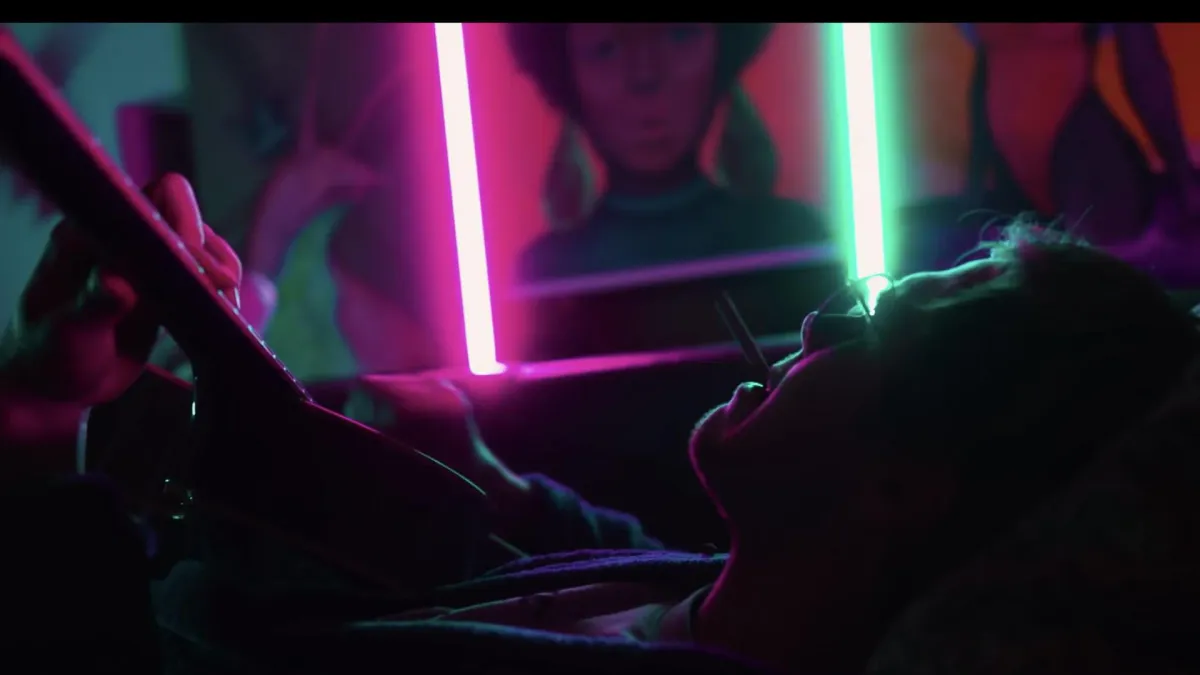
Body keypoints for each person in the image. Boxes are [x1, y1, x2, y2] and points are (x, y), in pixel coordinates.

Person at [4, 175, 1199, 674]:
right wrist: (485, 478)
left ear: (910, 484)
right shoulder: (709, 585)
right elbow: (613, 554)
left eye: (880, 324)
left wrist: (38, 416)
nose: (822, 316)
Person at [507, 23, 829, 283]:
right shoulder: (546, 272)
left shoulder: (792, 239)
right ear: (567, 78)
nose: (645, 75)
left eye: (679, 33)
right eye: (606, 48)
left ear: (722, 54)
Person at [962, 23, 1200, 245]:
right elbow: (988, 66)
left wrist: (1182, 178)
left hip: (1084, 155)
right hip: (1012, 164)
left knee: (1098, 263)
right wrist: (974, 179)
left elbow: (1145, 72)